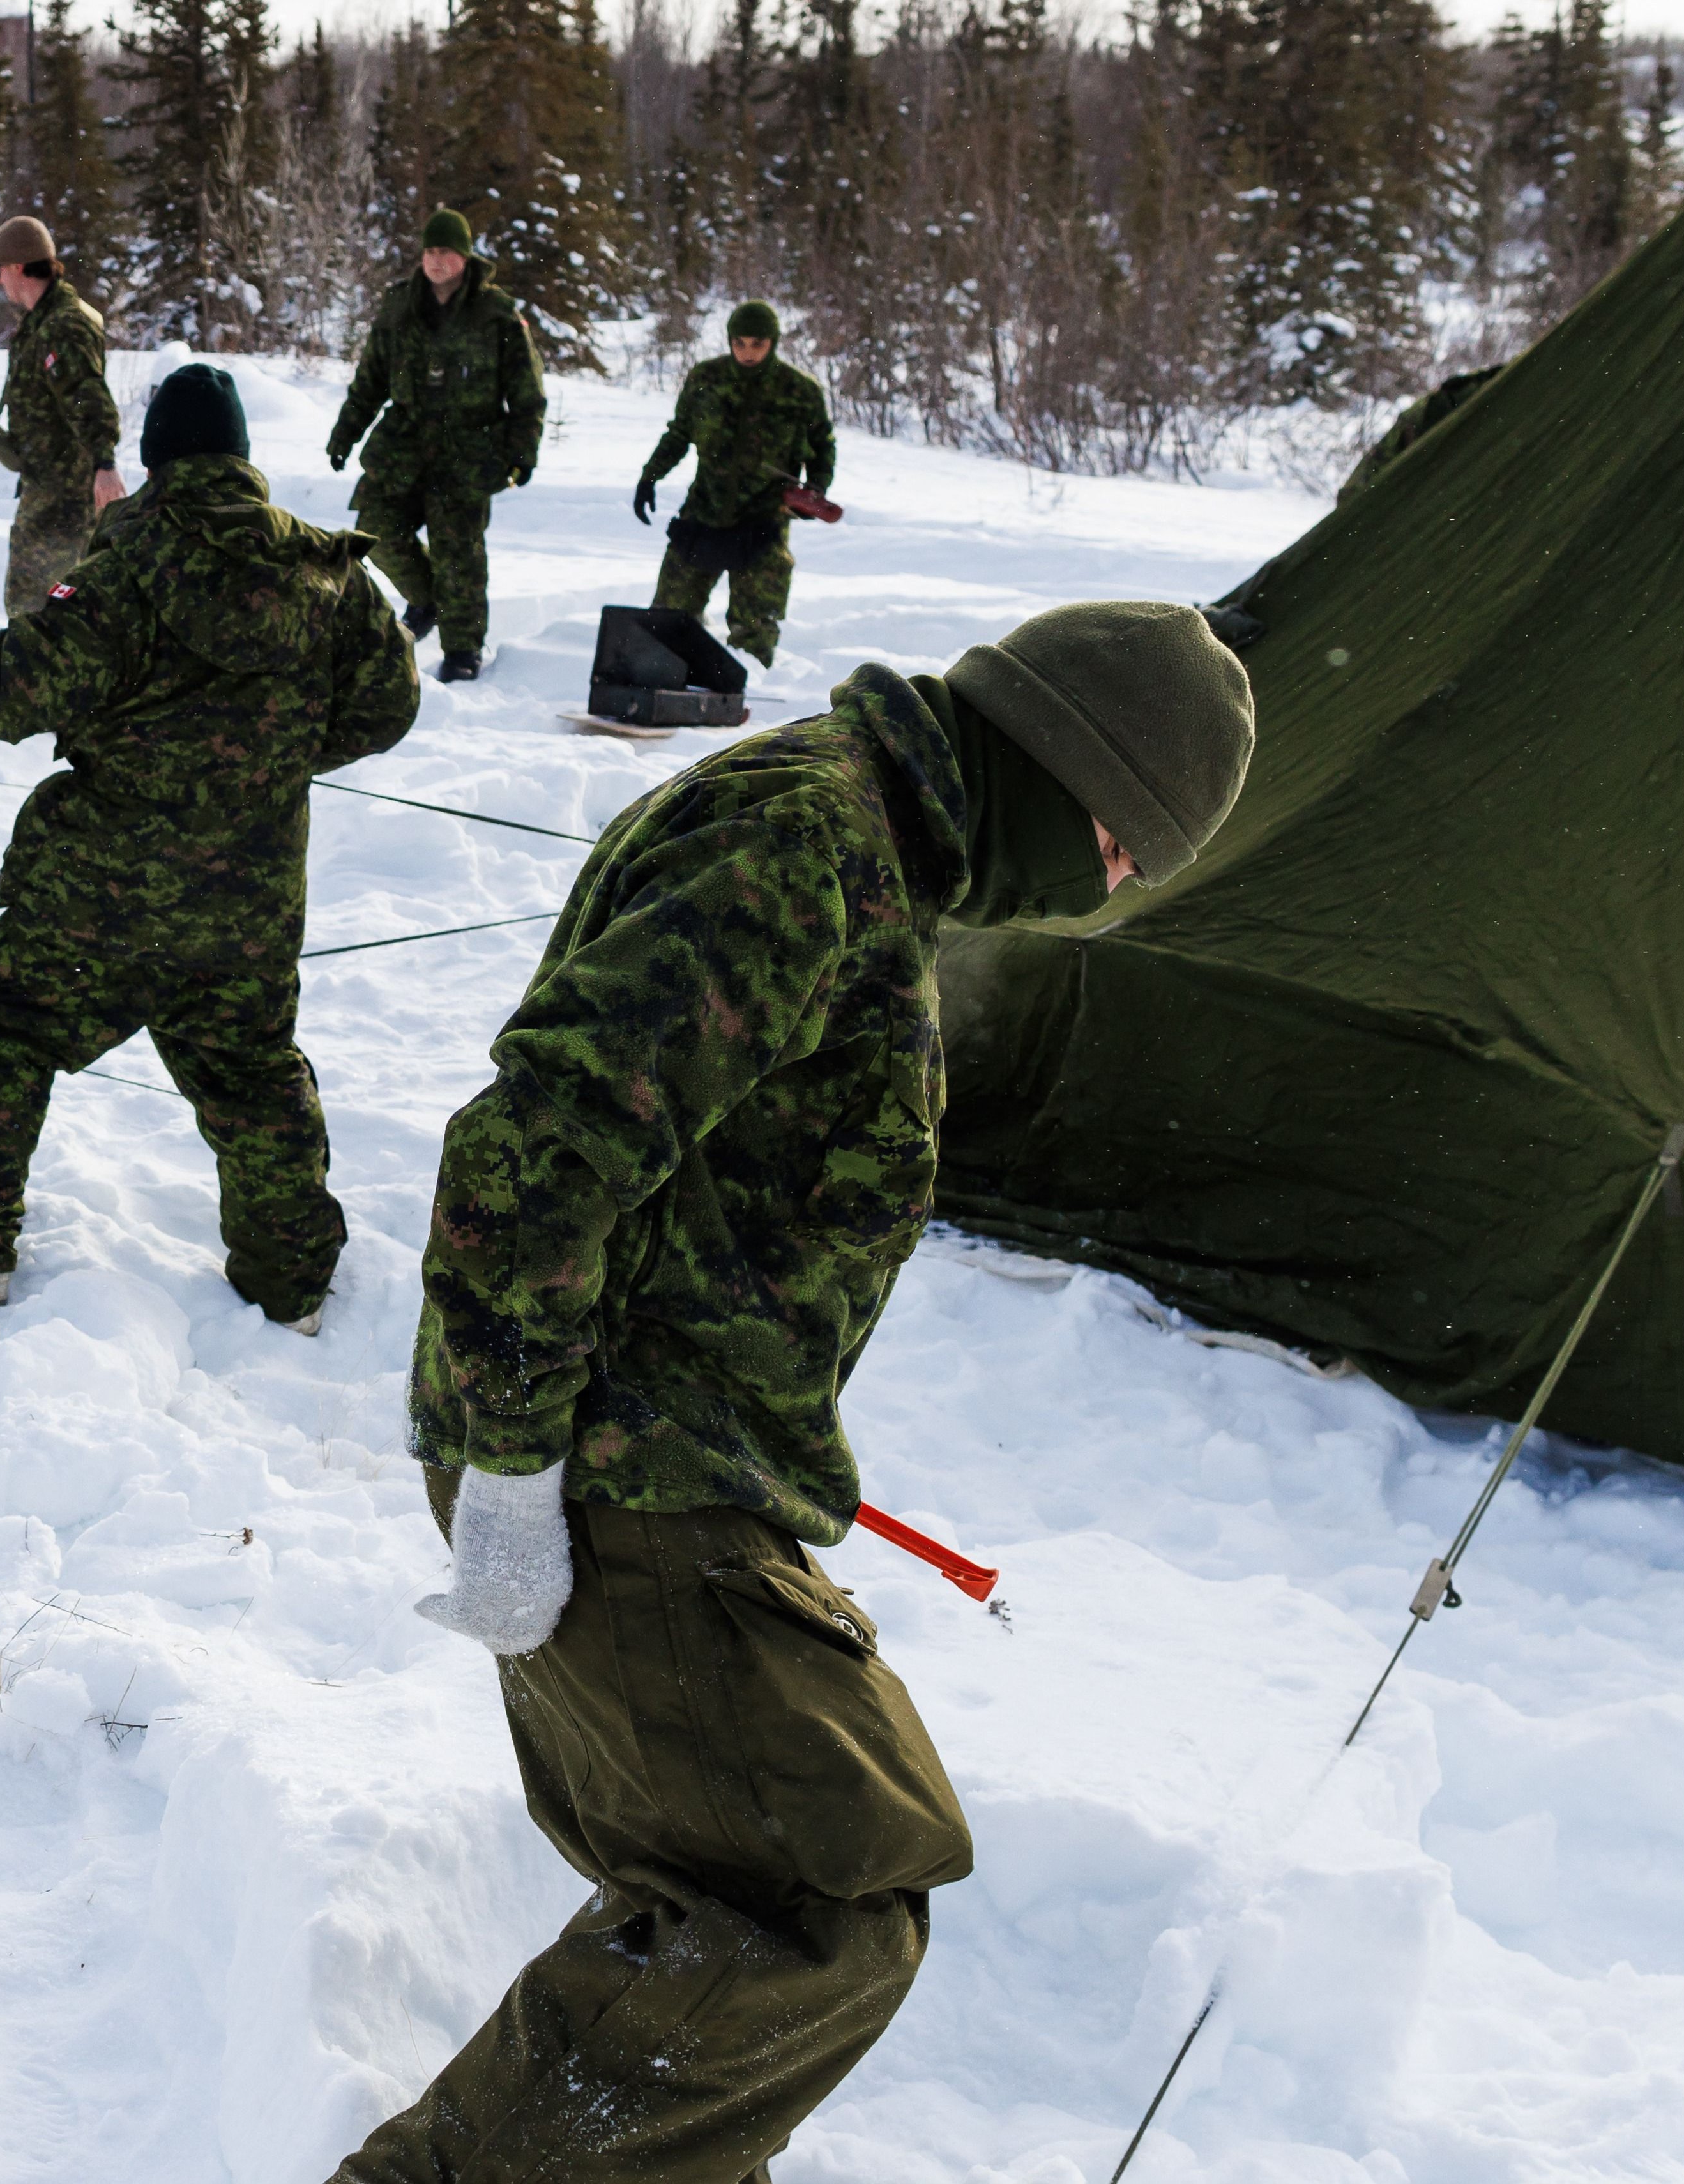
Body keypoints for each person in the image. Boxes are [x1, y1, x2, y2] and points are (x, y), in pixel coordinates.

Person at [347, 602, 1257, 2184]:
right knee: (814, 1893)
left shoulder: (861, 842)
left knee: (711, 1900)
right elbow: (531, 1155)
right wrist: (507, 1464)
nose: (1105, 892)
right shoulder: (802, 848)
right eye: (1118, 849)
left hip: (657, 1451)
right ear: (1059, 765)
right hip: (617, 1468)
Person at [0, 366, 420, 1330]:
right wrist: (259, 762)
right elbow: (387, 706)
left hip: (103, 897)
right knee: (249, 1067)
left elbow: (15, 691)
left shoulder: (125, 567)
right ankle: (292, 1285)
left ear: (156, 461)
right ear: (241, 457)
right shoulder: (330, 574)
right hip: (251, 896)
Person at [326, 207, 547, 684]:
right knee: (376, 528)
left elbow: (526, 391)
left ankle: (462, 649)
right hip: (404, 443)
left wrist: (522, 452)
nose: (436, 260)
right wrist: (345, 433)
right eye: (429, 251)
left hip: (469, 448)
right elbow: (370, 381)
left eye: (446, 251)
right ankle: (425, 600)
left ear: (465, 257)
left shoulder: (497, 313)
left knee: (459, 553)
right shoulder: (400, 307)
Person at [633, 301, 838, 667]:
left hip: (763, 520)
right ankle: (663, 689)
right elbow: (680, 433)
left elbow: (822, 446)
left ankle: (745, 705)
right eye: (740, 343)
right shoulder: (706, 379)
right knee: (668, 618)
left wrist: (814, 491)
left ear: (772, 343)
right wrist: (650, 476)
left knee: (754, 632)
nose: (747, 353)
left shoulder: (799, 391)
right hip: (704, 512)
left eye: (757, 344)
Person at [0, 215, 126, 624]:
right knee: (46, 608)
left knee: (37, 609)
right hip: (49, 486)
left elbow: (88, 397)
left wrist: (104, 464)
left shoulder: (63, 324)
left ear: (16, 267)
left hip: (64, 500)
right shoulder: (45, 321)